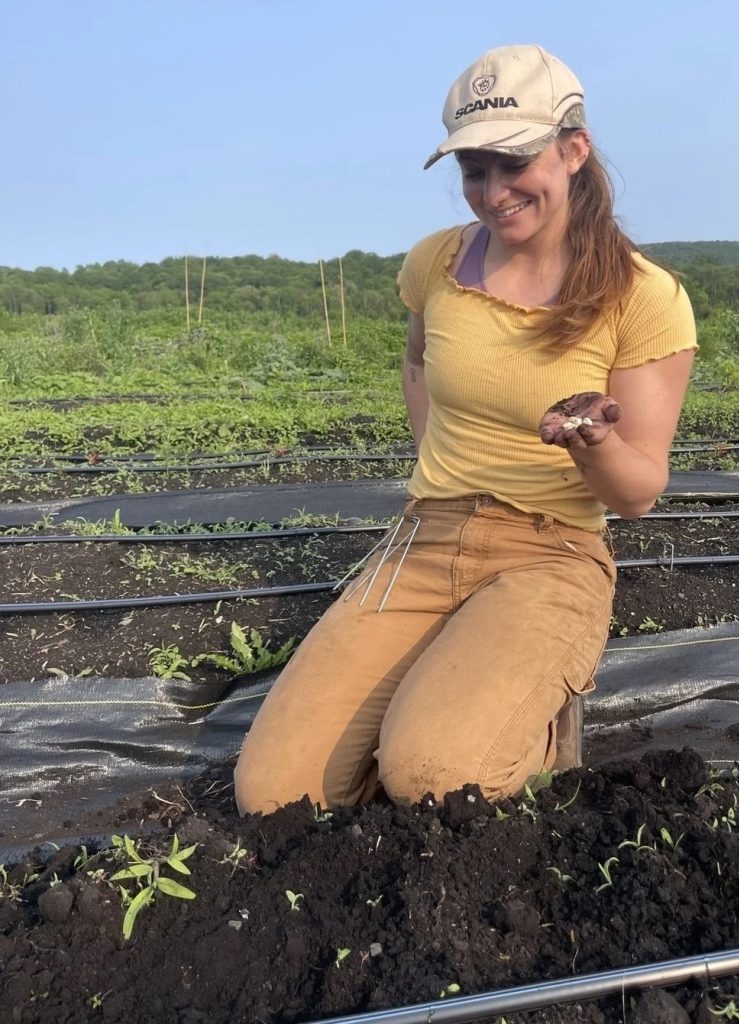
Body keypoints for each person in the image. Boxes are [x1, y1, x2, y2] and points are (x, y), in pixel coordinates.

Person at [235, 44, 696, 815]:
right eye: (473, 170)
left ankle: (536, 718)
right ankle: (456, 690)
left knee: (433, 777)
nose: (493, 192)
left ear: (574, 149)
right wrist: (434, 461)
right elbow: (419, 363)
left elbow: (640, 491)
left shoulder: (643, 297)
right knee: (274, 794)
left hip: (549, 554)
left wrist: (592, 440)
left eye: (513, 163)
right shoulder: (435, 265)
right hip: (426, 541)